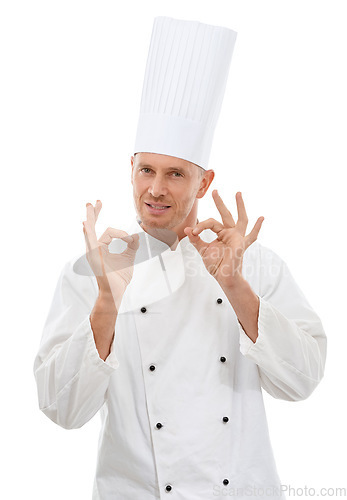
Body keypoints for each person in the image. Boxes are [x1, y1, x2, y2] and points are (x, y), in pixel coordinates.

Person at [33, 16, 327, 500]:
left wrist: (233, 283)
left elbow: (302, 382)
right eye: (146, 169)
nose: (156, 189)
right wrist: (107, 301)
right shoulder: (91, 271)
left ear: (204, 183)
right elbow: (62, 410)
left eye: (175, 174)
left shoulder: (256, 263)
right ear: (130, 170)